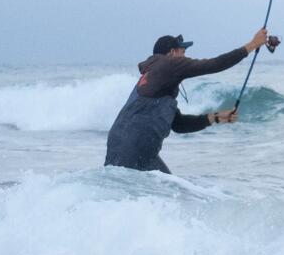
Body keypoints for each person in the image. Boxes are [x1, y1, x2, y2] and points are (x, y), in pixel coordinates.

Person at [104, 27, 275, 174]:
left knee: (158, 196)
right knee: (169, 196)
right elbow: (214, 64)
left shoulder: (156, 76)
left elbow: (178, 124)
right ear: (172, 53)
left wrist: (215, 117)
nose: (186, 57)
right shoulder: (169, 64)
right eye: (183, 52)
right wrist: (252, 45)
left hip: (122, 143)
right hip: (135, 146)